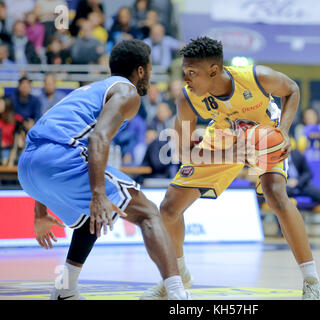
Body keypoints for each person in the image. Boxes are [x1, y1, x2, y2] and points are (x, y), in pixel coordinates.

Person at [141, 37, 320, 300]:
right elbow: (183, 151)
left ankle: (312, 281)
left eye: (192, 73)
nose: (186, 80)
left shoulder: (256, 77)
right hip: (224, 138)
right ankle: (178, 273)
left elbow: (292, 89)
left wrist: (283, 130)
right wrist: (231, 153)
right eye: (185, 73)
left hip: (264, 134)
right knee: (169, 207)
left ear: (213, 71)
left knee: (276, 196)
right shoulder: (187, 99)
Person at [17, 39, 190, 300]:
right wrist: (99, 193)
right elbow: (99, 138)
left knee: (91, 218)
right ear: (141, 71)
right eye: (151, 70)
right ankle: (178, 295)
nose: (150, 77)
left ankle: (65, 289)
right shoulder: (127, 92)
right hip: (60, 158)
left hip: (28, 167)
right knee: (147, 212)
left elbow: (44, 141)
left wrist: (40, 208)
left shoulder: (89, 90)